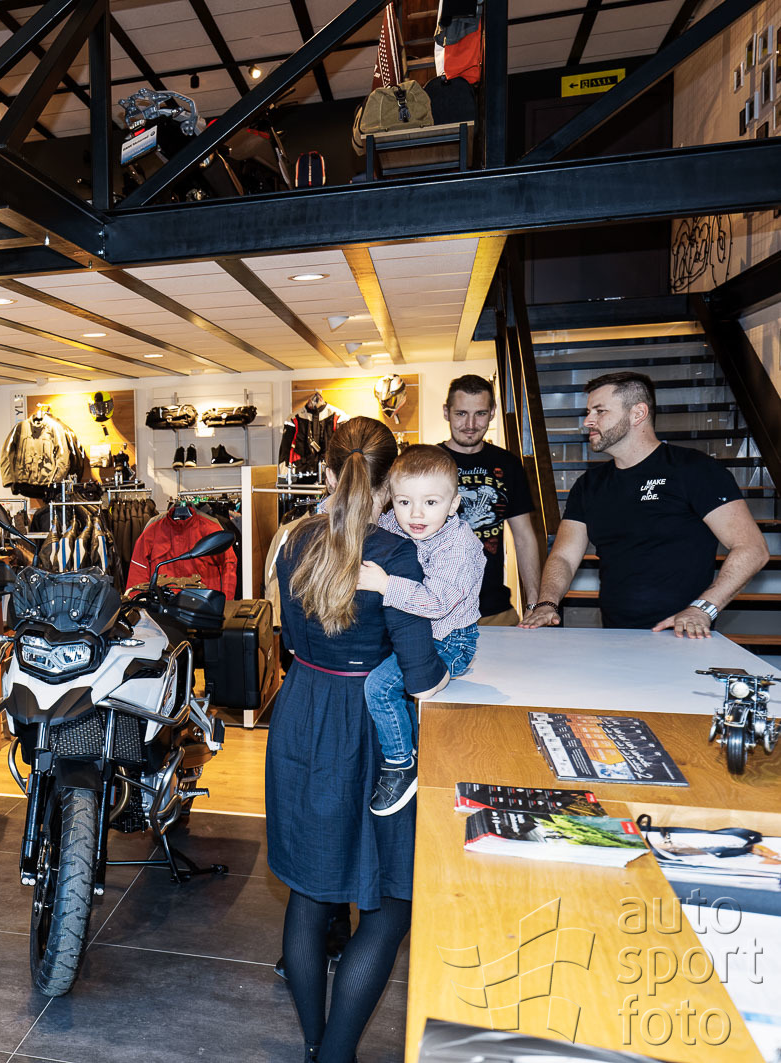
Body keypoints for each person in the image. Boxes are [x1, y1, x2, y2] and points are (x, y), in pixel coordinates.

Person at [267, 416, 449, 1063]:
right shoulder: (396, 556)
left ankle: (317, 1045)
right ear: (391, 479)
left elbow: (289, 639)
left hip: (301, 710)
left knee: (310, 890)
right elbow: (421, 674)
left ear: (323, 472)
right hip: (373, 728)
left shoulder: (292, 540)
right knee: (392, 900)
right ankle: (336, 1055)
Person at [520, 371, 768, 634]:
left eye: (600, 411)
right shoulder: (589, 485)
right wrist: (547, 603)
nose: (587, 421)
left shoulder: (694, 470)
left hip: (683, 637)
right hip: (616, 636)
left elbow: (752, 548)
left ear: (638, 413)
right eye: (588, 412)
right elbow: (563, 557)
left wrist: (703, 608)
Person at [355, 445, 485, 816]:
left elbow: (437, 603)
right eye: (404, 501)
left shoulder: (458, 547)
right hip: (413, 635)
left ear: (453, 504)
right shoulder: (395, 524)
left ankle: (400, 764)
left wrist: (385, 584)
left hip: (450, 641)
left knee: (379, 687)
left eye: (430, 502)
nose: (415, 514)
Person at [438, 374, 541, 625]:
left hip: (494, 610)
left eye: (480, 414)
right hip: (436, 609)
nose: (470, 424)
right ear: (446, 412)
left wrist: (534, 604)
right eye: (461, 413)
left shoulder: (508, 464)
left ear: (492, 412)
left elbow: (524, 537)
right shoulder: (427, 461)